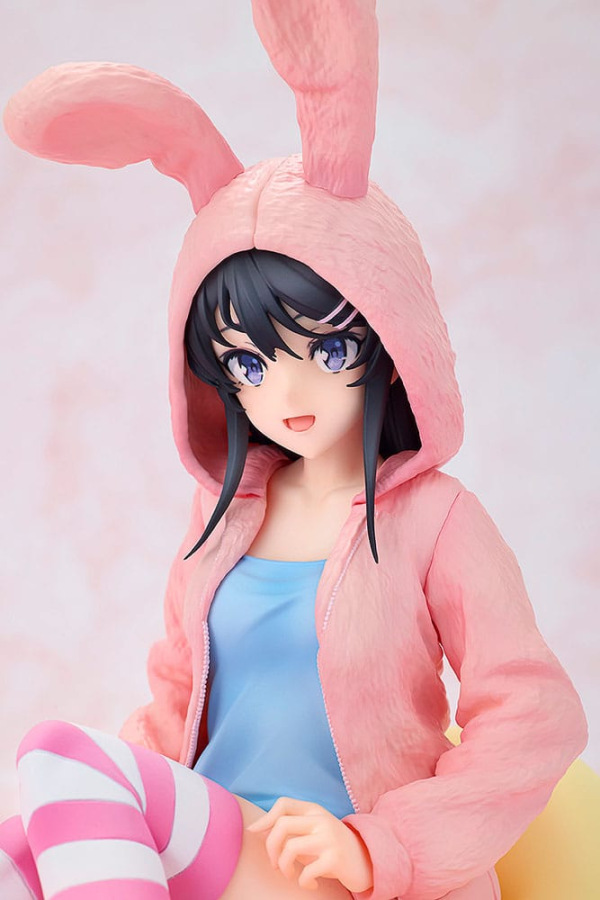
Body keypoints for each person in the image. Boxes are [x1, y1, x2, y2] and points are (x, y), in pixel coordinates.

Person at [0, 3, 588, 898]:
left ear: (392, 335)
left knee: (55, 760)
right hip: (225, 847)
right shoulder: (222, 518)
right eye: (247, 364)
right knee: (22, 838)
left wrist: (382, 846)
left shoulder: (438, 522)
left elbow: (534, 717)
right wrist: (102, 811)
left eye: (330, 349)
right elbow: (174, 706)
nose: (287, 394)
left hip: (341, 868)